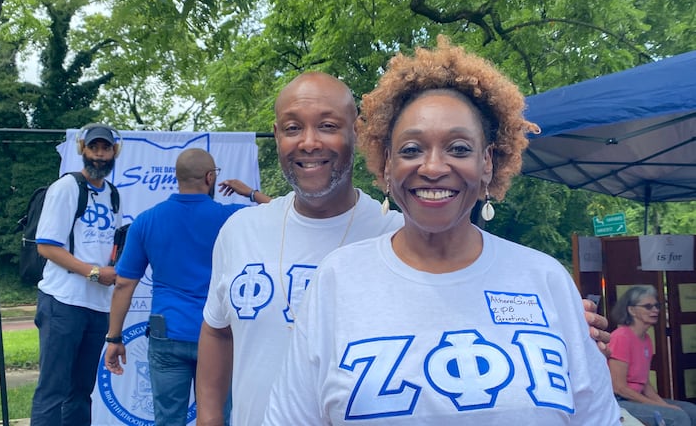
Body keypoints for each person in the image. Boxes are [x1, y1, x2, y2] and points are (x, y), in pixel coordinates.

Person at [196, 71, 611, 426]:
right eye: (412, 150)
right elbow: (218, 331)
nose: (432, 168)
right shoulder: (330, 273)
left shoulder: (543, 279)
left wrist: (568, 323)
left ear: (487, 162)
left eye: (459, 148)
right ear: (388, 164)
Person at [104, 148, 268, 426]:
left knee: (168, 420)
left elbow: (124, 285)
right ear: (209, 177)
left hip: (167, 332)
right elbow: (285, 213)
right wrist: (249, 192)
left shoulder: (146, 220)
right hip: (218, 334)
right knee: (216, 417)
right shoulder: (231, 218)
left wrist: (114, 338)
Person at [30, 123, 123, 426]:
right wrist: (96, 273)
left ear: (114, 152)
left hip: (97, 307)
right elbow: (46, 246)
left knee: (81, 391)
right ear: (82, 149)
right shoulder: (66, 187)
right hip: (63, 302)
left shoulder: (112, 195)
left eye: (105, 148)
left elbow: (109, 246)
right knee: (53, 389)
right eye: (93, 148)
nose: (99, 155)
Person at [608, 285, 696, 425]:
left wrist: (663, 404)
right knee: (678, 417)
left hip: (637, 398)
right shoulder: (621, 338)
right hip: (619, 401)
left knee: (691, 411)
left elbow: (645, 384)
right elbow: (619, 388)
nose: (655, 310)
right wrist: (658, 406)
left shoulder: (646, 339)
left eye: (657, 305)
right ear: (632, 310)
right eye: (648, 306)